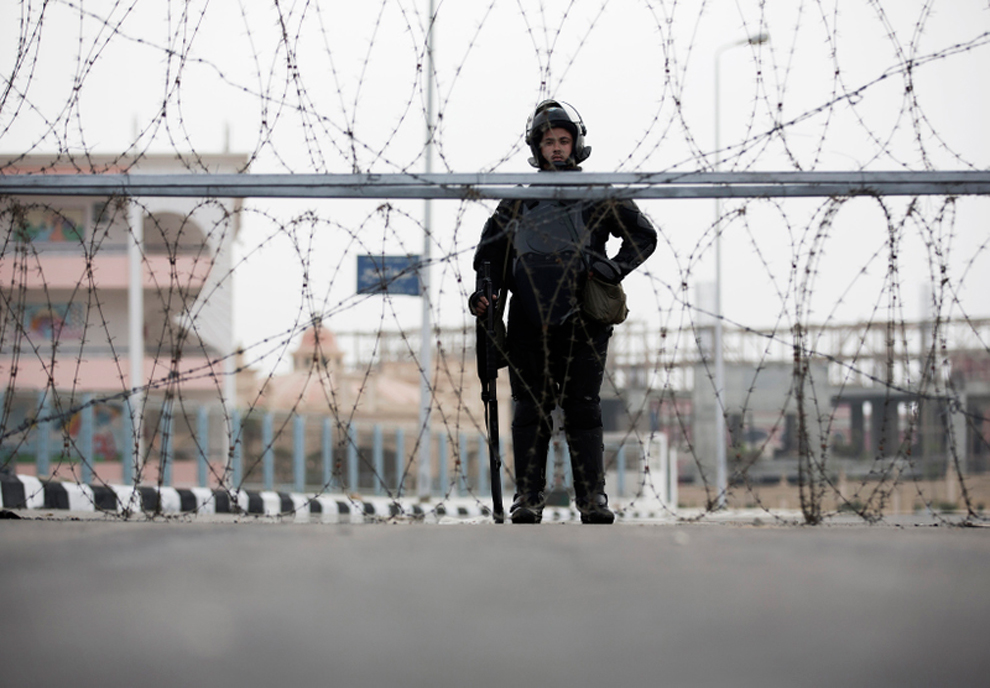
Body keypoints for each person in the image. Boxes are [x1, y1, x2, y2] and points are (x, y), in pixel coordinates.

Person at [469, 99, 658, 524]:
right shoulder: (518, 201)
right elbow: (489, 256)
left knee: (583, 409)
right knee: (529, 409)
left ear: (576, 145)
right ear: (537, 149)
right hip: (527, 320)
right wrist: (484, 295)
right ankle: (527, 497)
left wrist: (613, 268)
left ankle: (592, 499)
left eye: (563, 141)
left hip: (583, 320)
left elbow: (642, 236)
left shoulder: (597, 194)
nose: (556, 148)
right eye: (549, 142)